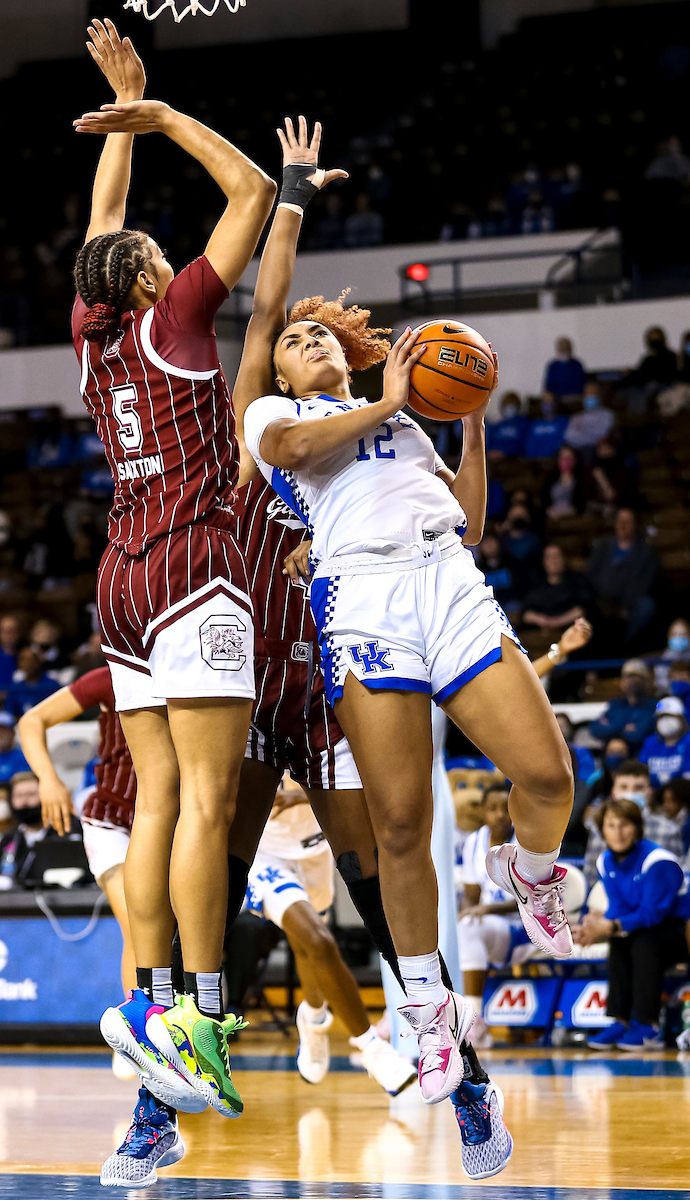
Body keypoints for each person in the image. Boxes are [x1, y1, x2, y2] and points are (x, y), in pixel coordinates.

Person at [242, 142, 576, 1119]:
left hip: (446, 576)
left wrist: (470, 422)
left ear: (346, 351)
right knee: (398, 825)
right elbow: (299, 446)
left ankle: (530, 867)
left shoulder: (405, 415)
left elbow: (469, 521)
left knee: (546, 773)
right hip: (361, 598)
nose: (306, 342)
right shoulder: (274, 417)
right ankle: (424, 1008)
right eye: (294, 337)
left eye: (318, 336)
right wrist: (386, 398)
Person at [71, 19, 275, 1136]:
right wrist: (156, 117)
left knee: (156, 801)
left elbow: (98, 228)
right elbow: (246, 188)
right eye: (154, 249)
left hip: (120, 578)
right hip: (195, 566)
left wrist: (128, 115)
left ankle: (145, 1004)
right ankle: (198, 1013)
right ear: (154, 275)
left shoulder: (92, 333)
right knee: (204, 799)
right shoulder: (175, 313)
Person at [245, 777, 416, 1094]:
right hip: (263, 853)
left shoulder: (324, 730)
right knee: (318, 940)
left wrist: (299, 797)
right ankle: (372, 1049)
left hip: (317, 847)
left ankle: (312, 1016)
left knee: (308, 944)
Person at [18, 666, 137, 1009]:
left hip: (167, 822)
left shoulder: (193, 675)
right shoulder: (111, 676)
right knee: (138, 927)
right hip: (110, 820)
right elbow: (31, 721)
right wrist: (48, 779)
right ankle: (137, 1030)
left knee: (172, 935)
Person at [576, 797, 690, 1050]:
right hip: (647, 928)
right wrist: (594, 930)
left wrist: (609, 926)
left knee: (643, 942)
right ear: (602, 830)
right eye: (611, 825)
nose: (618, 832)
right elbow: (619, 910)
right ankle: (620, 1020)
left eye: (624, 824)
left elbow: (652, 914)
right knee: (622, 940)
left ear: (637, 827)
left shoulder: (658, 860)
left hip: (679, 930)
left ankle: (648, 1026)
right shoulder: (604, 861)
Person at [457, 785, 534, 1050]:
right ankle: (454, 1019)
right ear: (482, 812)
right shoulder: (473, 842)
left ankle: (474, 1021)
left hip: (526, 930)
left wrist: (484, 911)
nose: (500, 815)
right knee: (455, 929)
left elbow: (531, 901)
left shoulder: (528, 842)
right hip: (492, 932)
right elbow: (471, 895)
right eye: (493, 809)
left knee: (468, 929)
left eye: (506, 809)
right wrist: (468, 911)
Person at [0, 771, 83, 889]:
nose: (24, 802)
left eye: (31, 795)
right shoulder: (4, 839)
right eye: (19, 796)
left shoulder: (69, 834)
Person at [586, 508, 660, 648]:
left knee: (646, 606)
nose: (623, 526)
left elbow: (644, 583)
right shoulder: (603, 546)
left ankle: (623, 648)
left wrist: (625, 605)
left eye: (628, 522)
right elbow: (591, 575)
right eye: (620, 521)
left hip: (630, 603)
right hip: (602, 601)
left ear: (635, 525)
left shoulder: (646, 551)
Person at [582, 759, 651, 888]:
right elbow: (591, 877)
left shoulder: (668, 829)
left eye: (638, 788)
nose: (630, 793)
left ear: (649, 792)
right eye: (624, 787)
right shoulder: (599, 828)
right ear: (614, 792)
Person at [518, 545, 593, 637]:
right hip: (541, 635)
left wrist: (557, 622)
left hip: (572, 633)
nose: (553, 561)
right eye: (549, 557)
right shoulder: (536, 584)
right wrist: (544, 621)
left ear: (564, 559)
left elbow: (583, 609)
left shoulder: (578, 581)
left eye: (557, 556)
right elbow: (525, 614)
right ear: (543, 561)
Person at [589, 658, 657, 749]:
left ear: (646, 681)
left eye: (636, 677)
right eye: (628, 677)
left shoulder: (653, 706)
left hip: (638, 754)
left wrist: (612, 726)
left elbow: (639, 734)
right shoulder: (616, 704)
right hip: (612, 755)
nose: (631, 681)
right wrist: (623, 727)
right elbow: (596, 729)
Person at [639, 696, 690, 787]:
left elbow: (687, 775)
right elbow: (641, 772)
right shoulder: (650, 742)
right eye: (662, 717)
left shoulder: (688, 742)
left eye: (671, 717)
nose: (665, 721)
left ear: (682, 720)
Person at [4, 648, 61, 719]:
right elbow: (9, 713)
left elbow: (60, 709)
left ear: (38, 662)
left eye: (31, 660)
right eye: (23, 660)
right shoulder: (16, 689)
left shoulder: (51, 686)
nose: (28, 664)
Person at [563, 382, 615, 456]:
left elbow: (602, 435)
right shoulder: (576, 417)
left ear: (598, 396)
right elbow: (569, 437)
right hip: (578, 452)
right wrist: (592, 438)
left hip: (596, 452)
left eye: (592, 393)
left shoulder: (607, 414)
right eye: (587, 394)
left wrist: (582, 435)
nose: (589, 396)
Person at [644, 780, 690, 858]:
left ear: (684, 802)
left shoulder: (686, 826)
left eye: (671, 801)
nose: (666, 805)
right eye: (664, 801)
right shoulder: (661, 823)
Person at [543, 446, 584, 520]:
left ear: (574, 460)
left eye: (569, 457)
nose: (566, 461)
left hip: (572, 515)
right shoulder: (551, 478)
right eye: (563, 457)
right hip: (552, 515)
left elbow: (581, 505)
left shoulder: (581, 478)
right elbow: (544, 501)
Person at [543, 337, 585, 404]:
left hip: (575, 399)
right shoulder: (553, 366)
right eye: (562, 348)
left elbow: (582, 384)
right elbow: (548, 387)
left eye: (566, 348)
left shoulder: (577, 365)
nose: (564, 351)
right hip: (556, 399)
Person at [485, 392, 528, 458]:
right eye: (507, 406)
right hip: (495, 460)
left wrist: (505, 453)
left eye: (512, 406)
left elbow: (523, 444)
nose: (509, 409)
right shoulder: (497, 426)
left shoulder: (522, 425)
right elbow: (490, 442)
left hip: (514, 459)